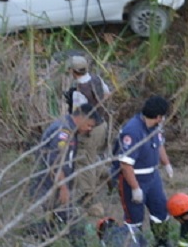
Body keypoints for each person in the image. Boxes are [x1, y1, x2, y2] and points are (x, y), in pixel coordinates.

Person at [29, 103, 98, 238]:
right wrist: (63, 188)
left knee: (57, 223)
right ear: (82, 118)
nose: (89, 129)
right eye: (89, 125)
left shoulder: (70, 129)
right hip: (50, 184)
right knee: (68, 223)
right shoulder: (63, 131)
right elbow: (55, 162)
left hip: (57, 184)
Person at [116, 95, 175, 247]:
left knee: (160, 211)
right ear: (159, 117)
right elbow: (125, 164)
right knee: (134, 218)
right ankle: (136, 244)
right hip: (134, 178)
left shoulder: (155, 127)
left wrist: (166, 164)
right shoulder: (132, 131)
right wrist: (135, 188)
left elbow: (159, 144)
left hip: (153, 177)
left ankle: (161, 242)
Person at [63, 55, 113, 204]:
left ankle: (88, 195)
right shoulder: (97, 79)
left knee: (84, 161)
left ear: (73, 71)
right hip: (102, 124)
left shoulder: (78, 91)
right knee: (93, 157)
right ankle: (108, 175)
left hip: (89, 129)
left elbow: (79, 117)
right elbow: (107, 94)